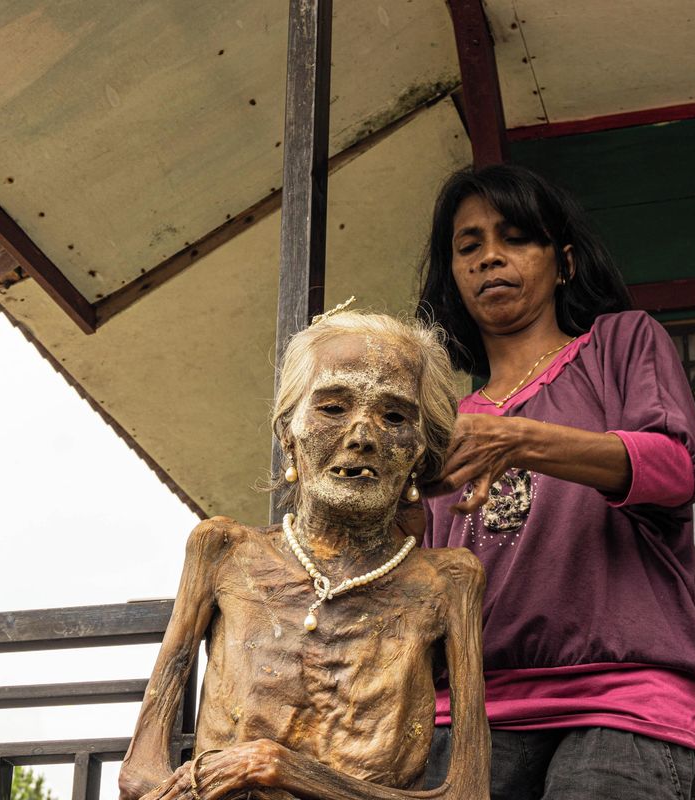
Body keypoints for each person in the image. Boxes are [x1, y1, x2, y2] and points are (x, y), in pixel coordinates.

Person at [416, 164, 695, 800]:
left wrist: (519, 439)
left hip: (624, 700)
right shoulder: (443, 425)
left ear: (563, 263)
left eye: (514, 238)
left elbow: (676, 467)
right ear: (452, 277)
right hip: (470, 713)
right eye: (469, 246)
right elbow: (420, 578)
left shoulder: (619, 344)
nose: (489, 258)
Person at [118, 310, 491, 800]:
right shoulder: (223, 551)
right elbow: (139, 772)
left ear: (421, 451)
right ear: (288, 432)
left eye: (395, 417)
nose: (362, 436)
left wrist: (278, 768)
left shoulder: (448, 583)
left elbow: (468, 793)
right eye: (333, 408)